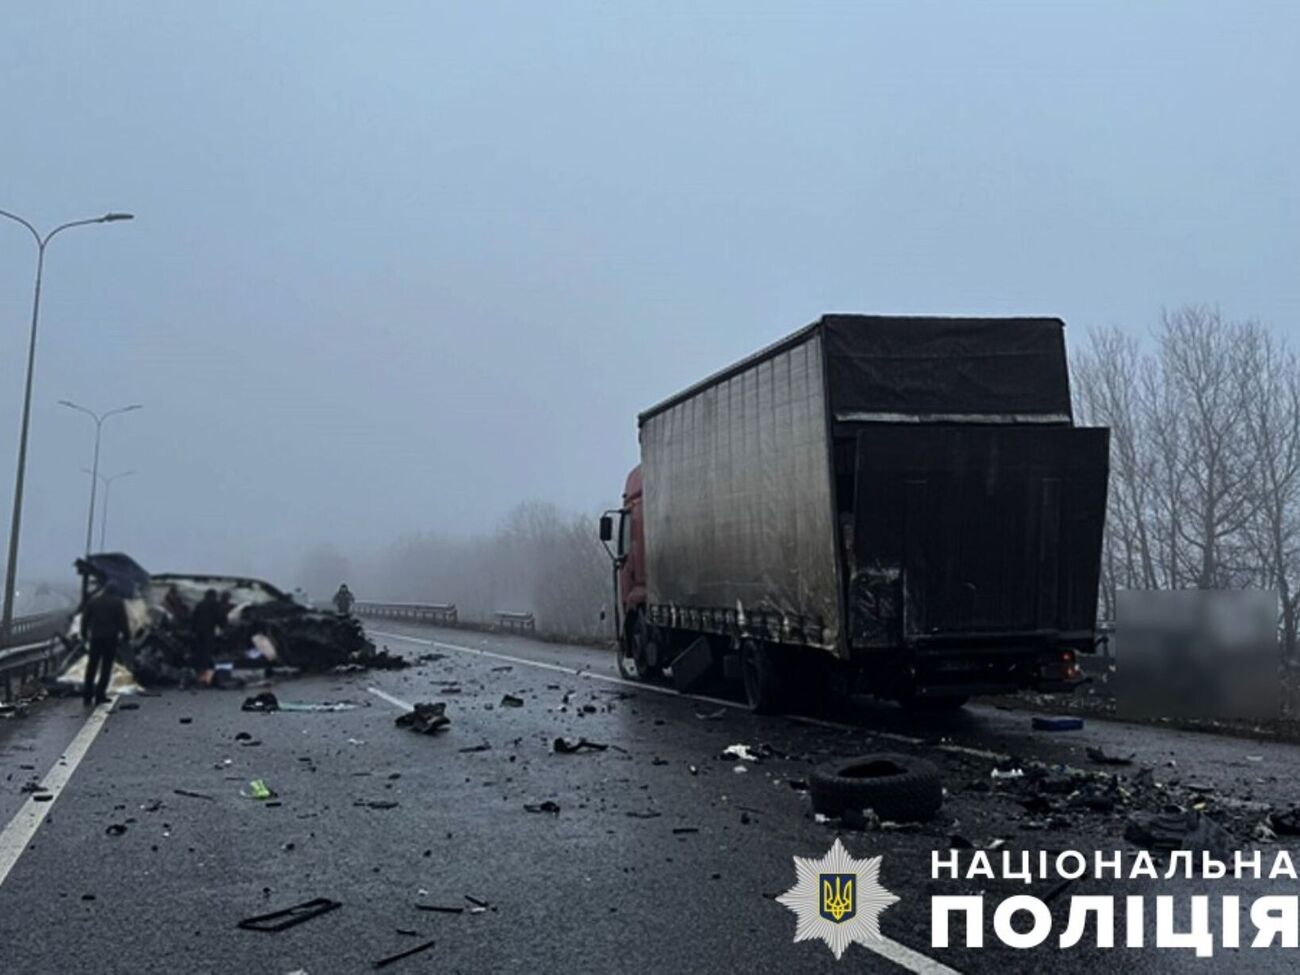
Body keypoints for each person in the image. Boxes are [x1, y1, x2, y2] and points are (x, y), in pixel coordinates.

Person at [81, 585, 130, 705]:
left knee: (92, 666)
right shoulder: (117, 602)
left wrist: (84, 633)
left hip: (95, 638)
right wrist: (126, 635)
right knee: (106, 668)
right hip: (110, 638)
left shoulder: (93, 601)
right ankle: (99, 695)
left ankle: (87, 696)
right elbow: (122, 621)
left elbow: (85, 619)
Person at [190, 589, 223, 684]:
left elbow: (193, 617)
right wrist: (222, 626)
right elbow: (219, 617)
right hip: (208, 630)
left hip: (198, 631)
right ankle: (206, 670)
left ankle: (199, 668)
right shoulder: (215, 604)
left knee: (199, 650)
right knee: (207, 649)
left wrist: (192, 630)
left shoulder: (200, 604)